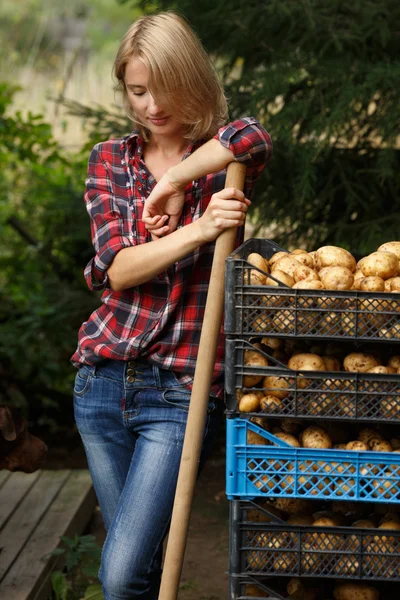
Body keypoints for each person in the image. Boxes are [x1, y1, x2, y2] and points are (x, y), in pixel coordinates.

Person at [71, 11, 272, 600]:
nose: (153, 105)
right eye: (137, 90)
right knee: (142, 567)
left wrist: (175, 180)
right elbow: (118, 269)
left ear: (194, 82)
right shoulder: (109, 160)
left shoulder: (223, 161)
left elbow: (253, 136)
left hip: (180, 393)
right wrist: (198, 230)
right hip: (102, 382)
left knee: (120, 573)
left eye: (166, 87)